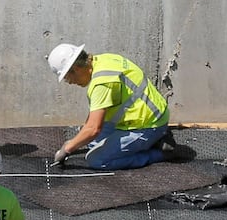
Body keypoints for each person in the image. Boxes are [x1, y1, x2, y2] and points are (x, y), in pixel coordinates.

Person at [46, 43, 180, 170]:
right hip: (146, 114)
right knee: (91, 142)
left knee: (97, 159)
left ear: (75, 69)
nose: (69, 82)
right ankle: (153, 141)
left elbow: (93, 129)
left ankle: (161, 153)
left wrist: (67, 148)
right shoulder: (104, 60)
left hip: (148, 125)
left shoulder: (101, 84)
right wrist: (77, 141)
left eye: (67, 77)